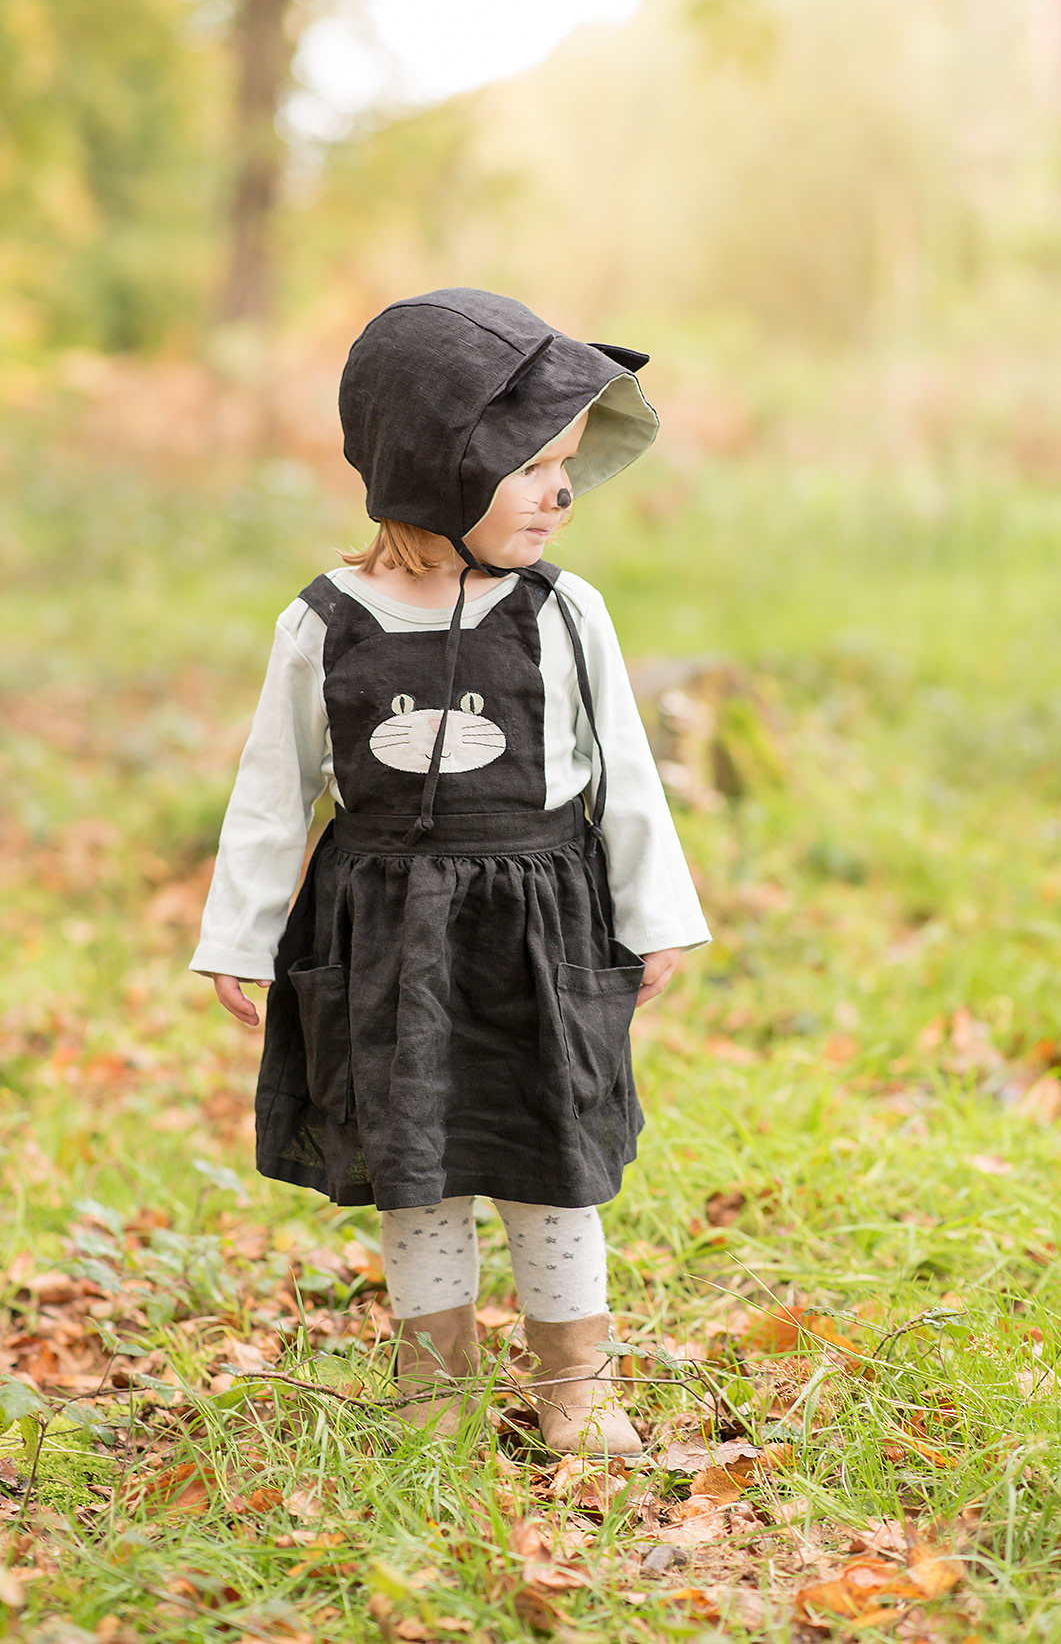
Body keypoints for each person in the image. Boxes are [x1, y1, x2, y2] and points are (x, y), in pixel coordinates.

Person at [190, 288, 709, 1456]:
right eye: (532, 466)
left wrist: (656, 914)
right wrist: (238, 933)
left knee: (548, 1156)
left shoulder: (568, 614)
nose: (562, 492)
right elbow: (277, 789)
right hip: (386, 933)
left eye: (568, 465)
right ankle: (436, 1385)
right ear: (437, 469)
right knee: (416, 1164)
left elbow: (623, 774)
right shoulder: (326, 622)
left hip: (536, 923)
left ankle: (575, 1383)